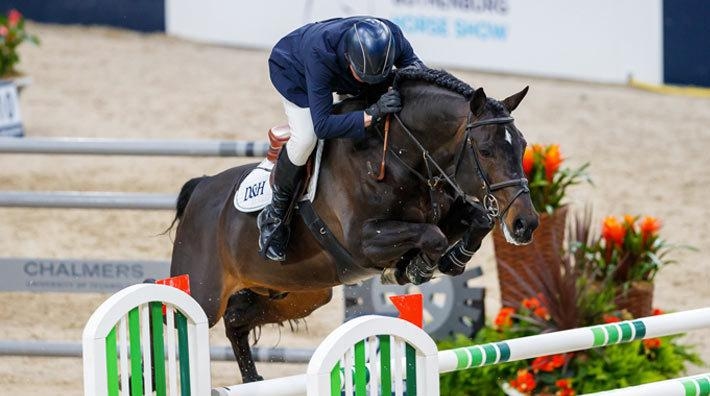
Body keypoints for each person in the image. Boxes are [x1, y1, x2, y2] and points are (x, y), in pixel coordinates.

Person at [259, 16, 424, 261]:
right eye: (364, 77)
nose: (370, 84)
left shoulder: (392, 38)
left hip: (345, 70)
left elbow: (419, 74)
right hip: (294, 71)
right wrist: (372, 113)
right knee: (306, 138)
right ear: (348, 58)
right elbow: (323, 125)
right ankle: (275, 212)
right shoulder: (320, 54)